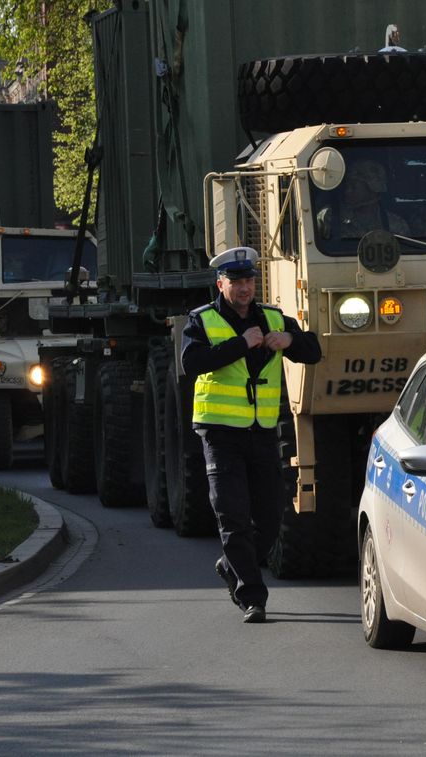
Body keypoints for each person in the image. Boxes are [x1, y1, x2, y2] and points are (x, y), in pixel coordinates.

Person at [180, 246, 322, 623]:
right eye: (236, 281)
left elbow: (314, 350)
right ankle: (252, 596)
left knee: (272, 514)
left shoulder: (273, 318)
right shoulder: (202, 320)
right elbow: (190, 363)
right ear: (220, 283)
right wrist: (240, 344)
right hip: (220, 433)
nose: (245, 288)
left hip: (261, 433)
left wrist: (290, 342)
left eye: (249, 280)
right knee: (233, 515)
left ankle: (232, 565)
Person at [334, 159, 411, 238]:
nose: (347, 191)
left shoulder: (396, 225)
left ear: (372, 188)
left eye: (353, 187)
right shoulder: (333, 219)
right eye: (347, 186)